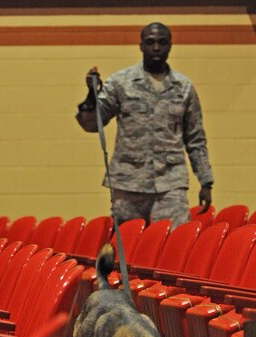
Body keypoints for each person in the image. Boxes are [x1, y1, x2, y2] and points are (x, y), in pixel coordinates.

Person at [76, 22, 213, 229]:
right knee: (131, 250)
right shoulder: (121, 83)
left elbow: (195, 138)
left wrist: (206, 180)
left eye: (162, 42)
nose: (156, 48)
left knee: (172, 245)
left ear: (170, 46)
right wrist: (91, 96)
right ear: (141, 46)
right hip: (129, 184)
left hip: (171, 183)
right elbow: (91, 124)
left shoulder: (183, 87)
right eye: (150, 42)